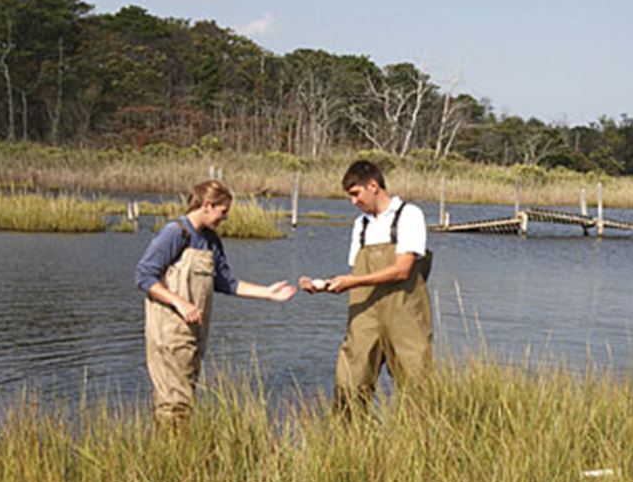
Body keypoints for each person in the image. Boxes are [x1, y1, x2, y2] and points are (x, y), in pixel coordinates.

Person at [134, 180, 295, 425]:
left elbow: (226, 283)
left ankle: (170, 451)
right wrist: (180, 302)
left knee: (182, 396)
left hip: (193, 334)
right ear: (207, 205)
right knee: (175, 401)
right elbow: (144, 276)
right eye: (223, 212)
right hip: (168, 332)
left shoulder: (211, 241)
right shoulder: (175, 232)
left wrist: (268, 293)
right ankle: (174, 455)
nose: (225, 218)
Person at [299, 160, 432, 410]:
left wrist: (352, 282)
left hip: (405, 316)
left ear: (373, 185)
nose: (353, 201)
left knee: (416, 386)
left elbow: (403, 270)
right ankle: (348, 443)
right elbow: (356, 274)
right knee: (350, 381)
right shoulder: (361, 225)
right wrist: (323, 285)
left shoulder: (409, 214)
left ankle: (417, 443)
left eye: (355, 194)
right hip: (364, 315)